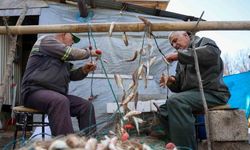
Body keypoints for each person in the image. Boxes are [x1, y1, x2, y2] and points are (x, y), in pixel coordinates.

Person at [158, 31, 231, 150]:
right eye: (172, 44)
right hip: (194, 96)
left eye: (176, 40)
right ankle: (175, 144)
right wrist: (171, 81)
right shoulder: (181, 60)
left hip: (213, 92)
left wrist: (179, 56)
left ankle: (185, 148)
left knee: (176, 102)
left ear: (186, 35)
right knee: (163, 111)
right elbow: (180, 87)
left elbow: (212, 54)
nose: (175, 45)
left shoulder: (202, 42)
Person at [21, 33, 101, 136]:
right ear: (64, 34)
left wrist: (84, 70)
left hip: (56, 96)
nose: (73, 42)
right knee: (60, 101)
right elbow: (70, 53)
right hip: (33, 92)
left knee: (86, 106)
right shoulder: (46, 40)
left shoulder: (63, 58)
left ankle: (91, 143)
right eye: (72, 38)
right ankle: (67, 144)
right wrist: (89, 52)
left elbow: (72, 75)